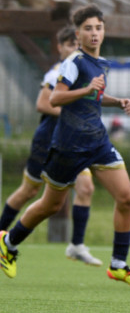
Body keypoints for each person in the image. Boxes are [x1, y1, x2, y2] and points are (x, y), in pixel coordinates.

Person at [0, 4, 130, 287]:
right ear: (78, 34)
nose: (94, 33)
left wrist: (115, 100)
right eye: (88, 29)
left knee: (127, 198)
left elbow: (92, 97)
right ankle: (9, 242)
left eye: (98, 27)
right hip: (69, 146)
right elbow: (55, 99)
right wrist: (88, 89)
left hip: (98, 142)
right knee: (49, 205)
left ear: (104, 31)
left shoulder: (100, 63)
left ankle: (119, 264)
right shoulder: (73, 62)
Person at [0, 26, 101, 266]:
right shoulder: (57, 72)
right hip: (47, 141)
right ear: (60, 48)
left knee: (86, 188)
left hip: (71, 144)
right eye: (68, 45)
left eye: (76, 45)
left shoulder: (83, 74)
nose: (74, 49)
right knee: (29, 191)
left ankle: (76, 245)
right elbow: (42, 104)